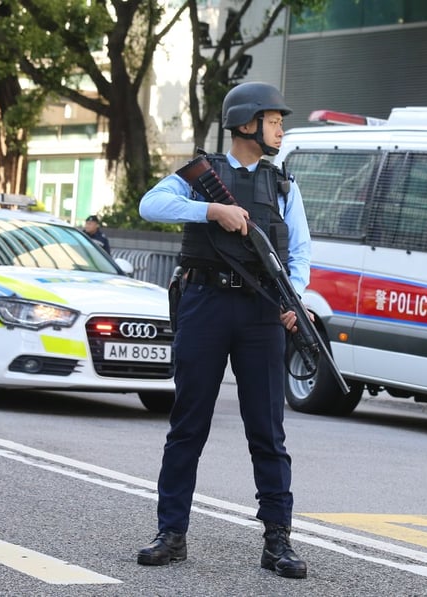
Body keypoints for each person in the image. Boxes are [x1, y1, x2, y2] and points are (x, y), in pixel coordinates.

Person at [136, 81, 311, 579]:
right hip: (205, 303)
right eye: (273, 120)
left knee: (267, 431)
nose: (280, 129)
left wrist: (293, 298)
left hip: (261, 312)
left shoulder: (283, 185)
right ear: (246, 124)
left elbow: (301, 251)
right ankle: (171, 533)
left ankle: (278, 539)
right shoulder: (200, 177)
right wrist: (212, 210)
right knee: (188, 424)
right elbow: (152, 205)